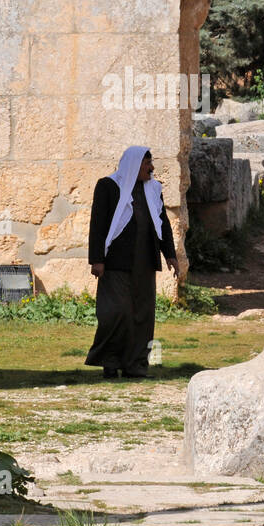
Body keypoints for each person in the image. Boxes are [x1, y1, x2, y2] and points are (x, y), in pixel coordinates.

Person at [85, 146, 179, 379]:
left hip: (144, 262)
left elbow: (162, 223)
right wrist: (97, 259)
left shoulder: (154, 189)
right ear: (134, 165)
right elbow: (97, 225)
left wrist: (170, 255)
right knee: (116, 313)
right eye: (147, 163)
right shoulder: (107, 187)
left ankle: (135, 365)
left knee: (142, 316)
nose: (152, 168)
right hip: (115, 262)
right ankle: (110, 360)